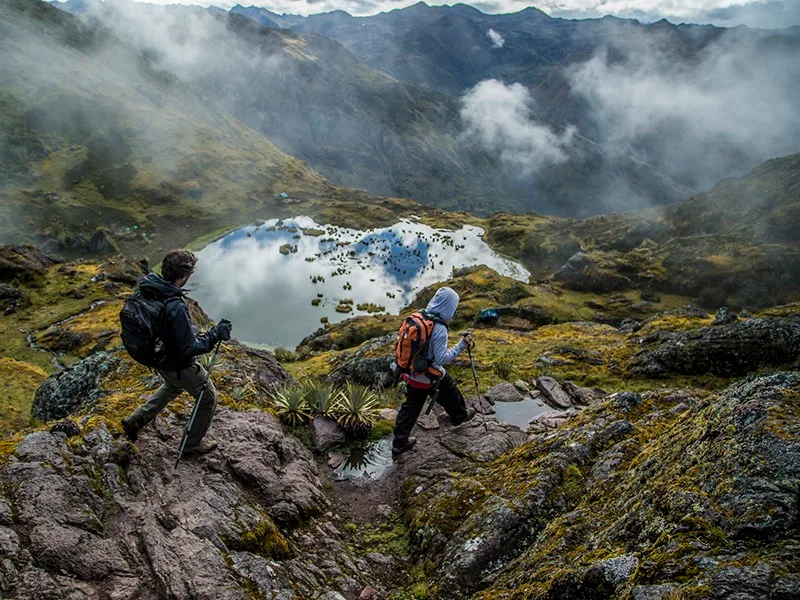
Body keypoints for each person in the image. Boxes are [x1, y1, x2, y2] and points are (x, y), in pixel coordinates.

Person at [121, 250, 232, 454]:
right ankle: (191, 445)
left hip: (156, 358)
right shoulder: (175, 305)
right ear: (184, 275)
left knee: (172, 386)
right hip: (176, 364)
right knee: (207, 397)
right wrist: (216, 334)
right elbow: (189, 348)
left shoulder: (149, 289)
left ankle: (135, 420)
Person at [392, 287, 476, 455]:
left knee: (410, 406)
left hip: (410, 371)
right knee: (449, 387)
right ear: (449, 306)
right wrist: (461, 345)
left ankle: (399, 443)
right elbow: (441, 359)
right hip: (427, 376)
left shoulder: (419, 317)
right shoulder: (439, 328)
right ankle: (459, 417)